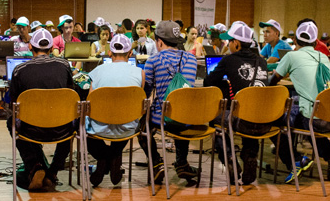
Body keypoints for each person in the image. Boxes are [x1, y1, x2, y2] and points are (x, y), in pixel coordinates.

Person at [271, 21, 330, 184]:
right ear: (315, 41)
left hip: (314, 120)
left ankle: (295, 160)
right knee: (305, 113)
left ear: (296, 40)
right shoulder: (324, 57)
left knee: (274, 119)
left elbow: (272, 82)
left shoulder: (291, 56)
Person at [7, 29, 75, 191]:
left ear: (30, 47)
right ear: (52, 48)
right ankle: (52, 172)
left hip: (31, 130)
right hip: (61, 129)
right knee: (73, 123)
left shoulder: (19, 70)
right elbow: (71, 95)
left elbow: (14, 104)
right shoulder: (64, 66)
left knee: (12, 122)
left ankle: (35, 166)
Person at [204, 21, 268, 185]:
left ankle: (229, 156)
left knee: (216, 118)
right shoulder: (262, 62)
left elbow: (208, 81)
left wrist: (225, 80)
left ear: (237, 43)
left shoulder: (229, 60)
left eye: (230, 41)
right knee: (250, 111)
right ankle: (250, 155)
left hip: (241, 121)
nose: (228, 43)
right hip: (264, 121)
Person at [137, 21, 199, 184]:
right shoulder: (191, 59)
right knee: (181, 110)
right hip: (187, 120)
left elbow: (146, 91)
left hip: (163, 119)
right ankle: (182, 163)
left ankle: (157, 163)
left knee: (142, 126)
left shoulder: (153, 60)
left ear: (159, 41)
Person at [86, 34, 144, 187]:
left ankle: (104, 160)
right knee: (126, 117)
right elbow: (137, 106)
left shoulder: (97, 71)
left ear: (109, 53)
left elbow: (88, 104)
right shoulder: (140, 73)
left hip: (99, 129)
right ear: (130, 53)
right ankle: (114, 158)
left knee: (82, 127)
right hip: (127, 129)